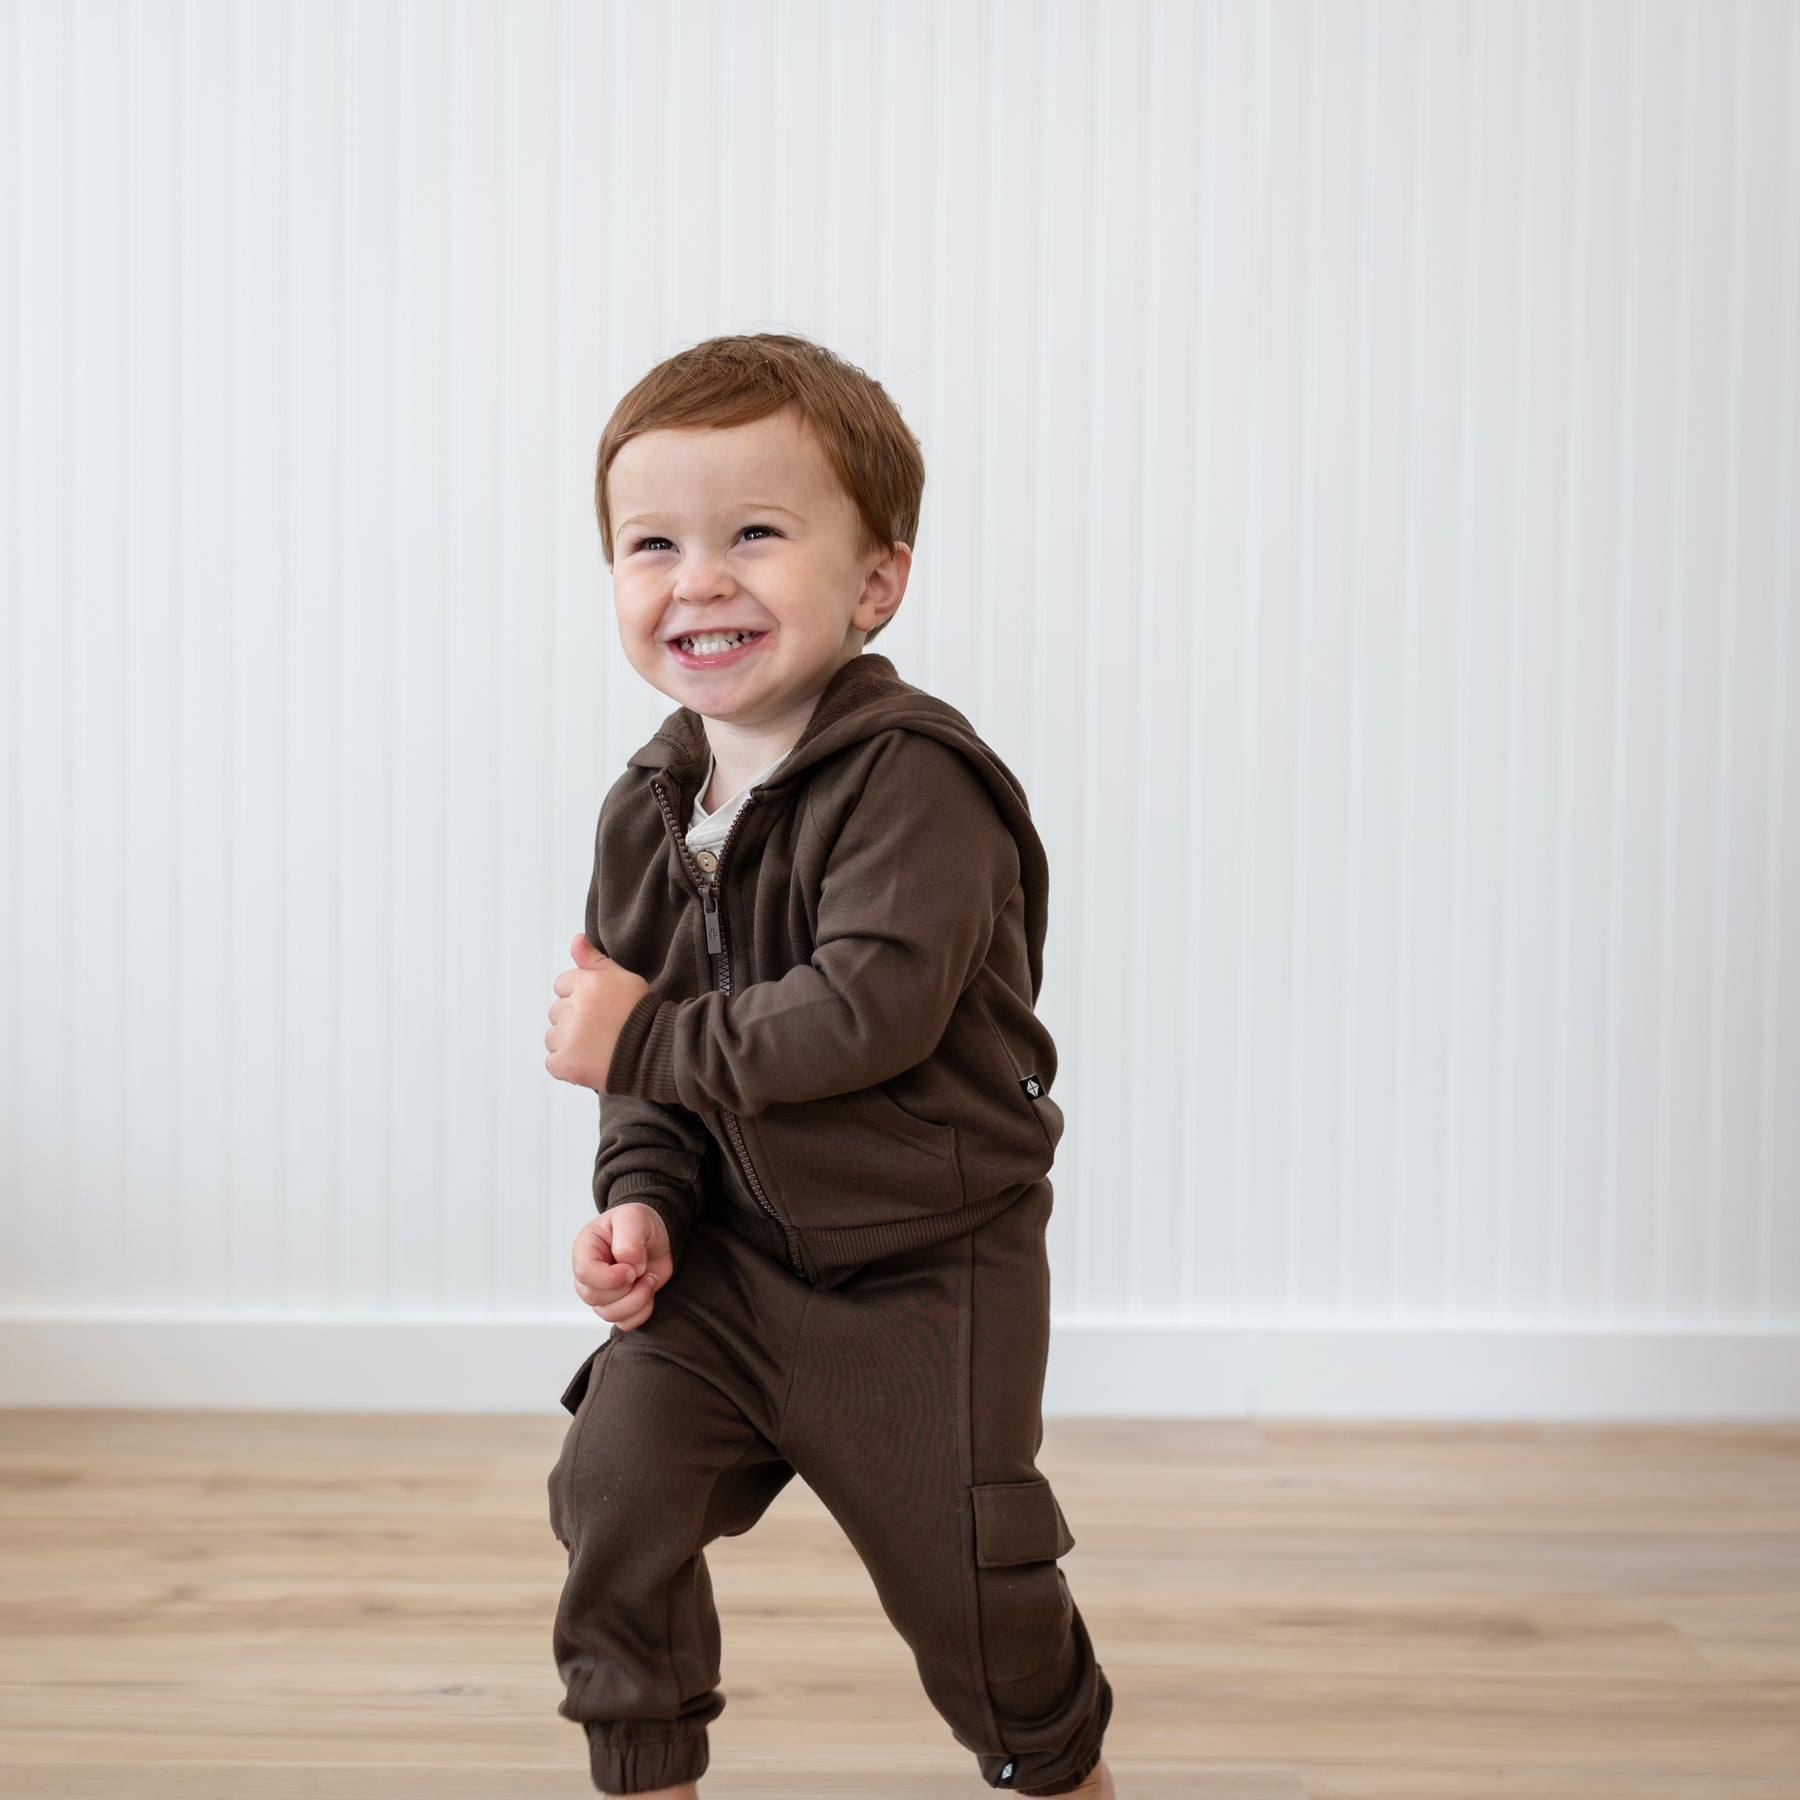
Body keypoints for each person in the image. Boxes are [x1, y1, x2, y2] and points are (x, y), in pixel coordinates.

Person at [542, 331, 1116, 1798]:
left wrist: (640, 1036)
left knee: (977, 1600)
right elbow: (650, 1074)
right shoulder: (648, 807)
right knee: (613, 1491)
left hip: (925, 1270)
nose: (699, 580)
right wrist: (643, 1196)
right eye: (653, 543)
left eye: (755, 534)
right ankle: (647, 1770)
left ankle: (1056, 1766)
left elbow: (869, 1012)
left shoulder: (918, 782)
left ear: (874, 582)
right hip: (731, 1262)